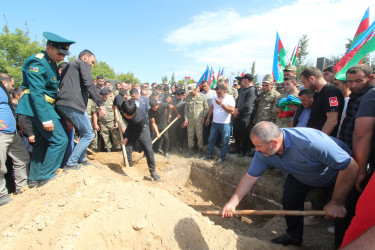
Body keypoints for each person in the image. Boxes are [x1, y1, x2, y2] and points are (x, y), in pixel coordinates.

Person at [221, 122, 358, 248]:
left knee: (343, 213)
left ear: (273, 143)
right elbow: (250, 178)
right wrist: (232, 204)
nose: (256, 150)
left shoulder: (311, 142)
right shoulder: (263, 153)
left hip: (335, 175)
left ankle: (343, 245)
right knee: (290, 199)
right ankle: (294, 236)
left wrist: (337, 202)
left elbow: (350, 166)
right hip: (300, 174)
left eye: (258, 146)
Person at [16, 32, 73, 187]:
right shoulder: (38, 62)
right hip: (38, 107)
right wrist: (45, 118)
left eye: (64, 54)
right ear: (48, 48)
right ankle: (45, 175)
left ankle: (34, 178)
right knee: (60, 140)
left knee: (41, 142)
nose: (62, 57)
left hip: (43, 106)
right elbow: (36, 92)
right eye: (59, 53)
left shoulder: (51, 63)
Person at [56, 49, 105, 170]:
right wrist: (100, 103)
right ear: (84, 57)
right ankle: (71, 163)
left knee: (85, 132)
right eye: (92, 62)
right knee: (89, 134)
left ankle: (82, 160)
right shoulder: (82, 63)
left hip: (65, 103)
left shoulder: (70, 66)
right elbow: (89, 84)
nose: (92, 66)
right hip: (73, 104)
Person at [0, 73, 30, 204]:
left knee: (23, 158)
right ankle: (2, 195)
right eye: (11, 85)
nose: (12, 89)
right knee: (1, 166)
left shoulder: (5, 94)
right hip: (1, 133)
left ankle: (22, 189)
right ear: (4, 83)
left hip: (12, 133)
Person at [120, 100, 160, 181]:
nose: (130, 117)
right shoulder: (123, 108)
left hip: (142, 129)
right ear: (123, 112)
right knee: (127, 148)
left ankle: (153, 172)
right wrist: (122, 125)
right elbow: (117, 100)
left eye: (132, 115)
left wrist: (126, 138)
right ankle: (129, 169)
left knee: (149, 150)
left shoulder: (140, 118)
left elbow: (136, 132)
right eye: (128, 115)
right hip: (130, 127)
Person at [300, 67, 344, 137]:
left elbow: (332, 120)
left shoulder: (331, 92)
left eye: (304, 83)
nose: (304, 86)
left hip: (323, 140)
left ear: (312, 78)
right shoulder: (318, 93)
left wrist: (320, 138)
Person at [202, 84, 235, 165]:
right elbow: (212, 107)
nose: (217, 95)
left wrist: (221, 104)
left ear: (224, 91)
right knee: (211, 140)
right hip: (215, 123)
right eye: (216, 93)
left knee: (225, 142)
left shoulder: (230, 98)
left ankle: (222, 158)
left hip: (225, 124)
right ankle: (209, 155)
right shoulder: (215, 97)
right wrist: (208, 118)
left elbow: (232, 111)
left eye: (219, 93)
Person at [230, 73, 258, 157]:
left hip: (246, 115)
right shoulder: (243, 89)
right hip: (238, 114)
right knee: (236, 132)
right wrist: (235, 109)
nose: (241, 81)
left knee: (244, 133)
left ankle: (243, 150)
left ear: (246, 80)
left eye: (242, 79)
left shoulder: (253, 90)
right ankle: (237, 147)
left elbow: (248, 104)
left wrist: (238, 111)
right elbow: (237, 100)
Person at [183, 83, 208, 158]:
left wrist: (203, 117)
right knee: (190, 136)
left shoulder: (202, 97)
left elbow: (206, 107)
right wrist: (186, 119)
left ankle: (200, 151)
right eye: (189, 91)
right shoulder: (188, 97)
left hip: (199, 120)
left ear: (195, 89)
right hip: (190, 120)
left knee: (199, 136)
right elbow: (186, 109)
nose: (190, 92)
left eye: (191, 91)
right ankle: (190, 150)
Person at [92, 88, 121, 152]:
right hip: (102, 123)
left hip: (112, 122)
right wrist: (95, 124)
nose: (104, 98)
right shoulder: (97, 102)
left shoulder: (112, 101)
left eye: (105, 96)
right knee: (105, 137)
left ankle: (118, 149)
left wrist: (116, 122)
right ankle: (108, 150)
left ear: (108, 95)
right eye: (102, 96)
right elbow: (95, 113)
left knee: (116, 137)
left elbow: (116, 112)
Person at [200, 80, 216, 145]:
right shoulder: (201, 94)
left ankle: (214, 143)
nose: (204, 88)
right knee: (205, 129)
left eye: (205, 86)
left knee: (213, 129)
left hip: (213, 113)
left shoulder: (214, 93)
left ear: (208, 85)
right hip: (204, 114)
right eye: (203, 86)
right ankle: (205, 143)